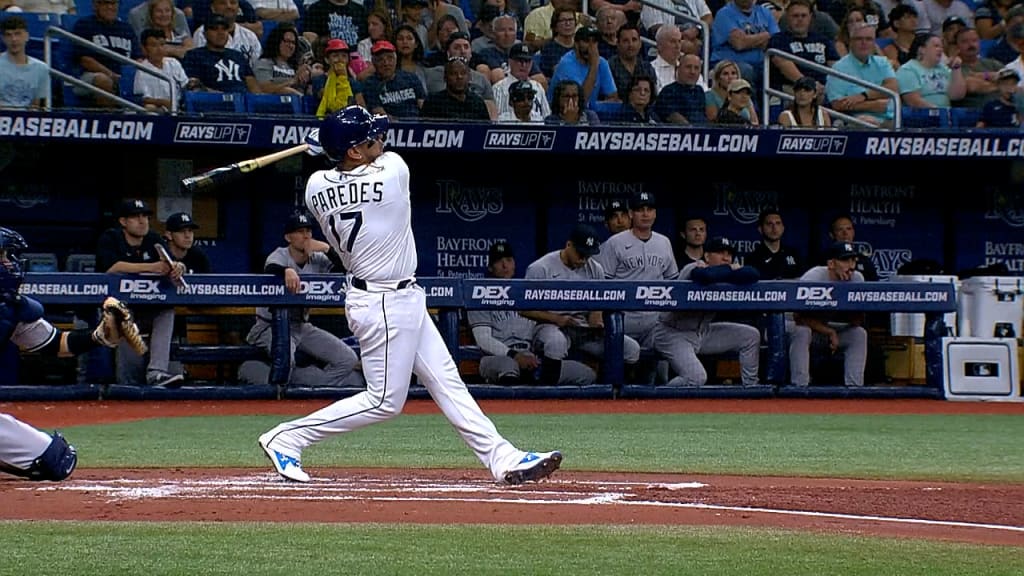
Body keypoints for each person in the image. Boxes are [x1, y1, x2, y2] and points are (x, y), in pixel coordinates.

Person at [258, 105, 562, 485]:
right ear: (354, 150)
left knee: (446, 380)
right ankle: (287, 437)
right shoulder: (393, 173)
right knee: (384, 401)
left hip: (395, 296)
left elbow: (338, 165)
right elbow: (365, 159)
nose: (382, 140)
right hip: (383, 303)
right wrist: (326, 142)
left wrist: (327, 144)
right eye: (373, 138)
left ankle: (502, 457)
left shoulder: (315, 187)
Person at [1, 226, 145, 482]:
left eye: (8, 256)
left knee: (56, 459)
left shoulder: (10, 307)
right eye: (2, 256)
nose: (9, 264)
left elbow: (55, 343)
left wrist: (99, 336)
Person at [243, 210, 362, 389]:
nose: (305, 236)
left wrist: (327, 249)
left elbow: (347, 269)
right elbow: (271, 267)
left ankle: (308, 383)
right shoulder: (280, 255)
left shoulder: (318, 258)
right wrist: (286, 271)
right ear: (288, 237)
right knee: (286, 362)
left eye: (308, 231)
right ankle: (256, 375)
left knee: (348, 359)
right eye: (299, 232)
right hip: (270, 325)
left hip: (301, 326)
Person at [467, 241, 596, 385]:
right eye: (499, 262)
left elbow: (542, 333)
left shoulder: (527, 293)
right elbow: (484, 340)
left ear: (514, 264)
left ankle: (545, 403)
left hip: (532, 358)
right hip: (496, 358)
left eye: (509, 260)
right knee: (509, 368)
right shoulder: (480, 295)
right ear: (490, 267)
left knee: (586, 374)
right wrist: (515, 356)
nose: (505, 266)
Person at [523, 224, 642, 378]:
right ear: (568, 245)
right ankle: (547, 396)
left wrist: (597, 321)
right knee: (556, 343)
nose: (584, 260)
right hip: (551, 325)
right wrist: (558, 319)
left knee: (630, 348)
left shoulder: (595, 269)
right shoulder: (541, 268)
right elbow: (523, 309)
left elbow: (597, 305)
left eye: (588, 255)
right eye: (580, 254)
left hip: (583, 329)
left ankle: (614, 394)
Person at [96, 198, 186, 387]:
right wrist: (152, 267)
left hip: (146, 306)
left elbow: (169, 263)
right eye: (135, 217)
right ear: (123, 221)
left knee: (166, 311)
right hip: (113, 309)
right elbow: (112, 267)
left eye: (145, 216)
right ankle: (125, 385)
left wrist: (177, 267)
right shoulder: (111, 237)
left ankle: (157, 373)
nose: (142, 220)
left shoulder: (153, 239)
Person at [653, 237, 762, 387]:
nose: (726, 258)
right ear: (706, 256)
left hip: (702, 333)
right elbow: (705, 276)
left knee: (751, 336)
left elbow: (753, 273)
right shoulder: (693, 267)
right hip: (672, 334)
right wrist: (732, 270)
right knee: (696, 378)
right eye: (720, 253)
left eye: (729, 254)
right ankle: (659, 401)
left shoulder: (726, 274)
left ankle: (751, 389)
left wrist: (729, 271)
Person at [788, 241, 868, 387]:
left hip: (830, 330)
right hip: (801, 329)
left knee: (858, 334)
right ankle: (800, 387)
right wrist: (829, 332)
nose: (850, 266)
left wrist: (848, 300)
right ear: (831, 264)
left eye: (853, 260)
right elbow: (798, 317)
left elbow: (857, 321)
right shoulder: (814, 277)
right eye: (845, 260)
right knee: (802, 332)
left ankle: (855, 388)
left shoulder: (857, 279)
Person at [0, 15, 50, 108]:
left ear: (27, 36)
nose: (14, 39)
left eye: (17, 34)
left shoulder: (41, 68)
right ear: (3, 39)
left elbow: (36, 105)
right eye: (9, 35)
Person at [748, 207, 804, 279]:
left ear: (783, 228)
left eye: (778, 223)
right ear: (760, 229)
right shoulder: (753, 259)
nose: (774, 228)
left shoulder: (795, 254)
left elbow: (804, 280)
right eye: (769, 224)